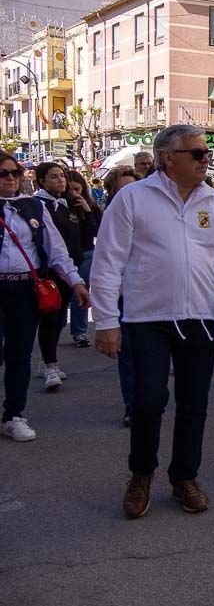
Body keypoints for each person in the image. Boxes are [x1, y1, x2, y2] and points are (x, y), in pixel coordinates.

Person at [92, 125, 214, 518]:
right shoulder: (132, 198)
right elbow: (108, 262)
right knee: (147, 400)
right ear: (168, 158)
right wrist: (106, 320)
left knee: (194, 403)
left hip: (199, 316)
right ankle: (141, 474)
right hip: (148, 317)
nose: (206, 160)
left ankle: (184, 478)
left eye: (207, 153)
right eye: (198, 153)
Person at [0, 154, 89, 443]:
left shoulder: (34, 206)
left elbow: (56, 250)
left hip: (26, 290)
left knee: (19, 355)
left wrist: (75, 281)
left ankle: (14, 414)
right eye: (3, 173)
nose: (11, 178)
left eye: (15, 172)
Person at [33, 162, 95, 390]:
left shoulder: (68, 204)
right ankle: (50, 365)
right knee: (50, 318)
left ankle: (49, 361)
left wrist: (86, 211)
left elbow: (88, 235)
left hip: (72, 267)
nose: (61, 180)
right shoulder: (39, 205)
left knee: (60, 318)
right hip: (51, 272)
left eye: (62, 176)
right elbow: (52, 245)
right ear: (41, 181)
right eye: (53, 177)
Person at [103, 166, 138, 426]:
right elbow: (107, 264)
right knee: (128, 355)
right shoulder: (111, 217)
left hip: (152, 297)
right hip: (124, 297)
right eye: (122, 188)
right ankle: (132, 404)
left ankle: (149, 399)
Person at [65, 171, 102, 348]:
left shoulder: (92, 207)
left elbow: (98, 232)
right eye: (70, 190)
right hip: (65, 255)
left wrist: (87, 212)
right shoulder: (61, 206)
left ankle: (79, 331)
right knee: (64, 293)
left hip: (86, 252)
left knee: (80, 292)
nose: (74, 194)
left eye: (77, 189)